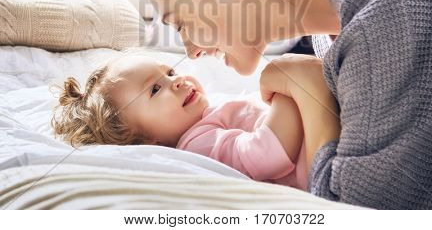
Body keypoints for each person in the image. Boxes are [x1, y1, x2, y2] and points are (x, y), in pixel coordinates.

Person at [140, 0, 432, 209]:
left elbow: (357, 212)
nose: (191, 52)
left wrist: (308, 85)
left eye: (181, 24)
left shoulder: (377, 22)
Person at [50, 48, 339, 191]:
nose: (176, 82)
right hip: (324, 159)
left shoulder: (206, 115)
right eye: (155, 89)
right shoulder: (196, 143)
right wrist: (287, 92)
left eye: (170, 73)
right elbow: (266, 154)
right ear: (143, 139)